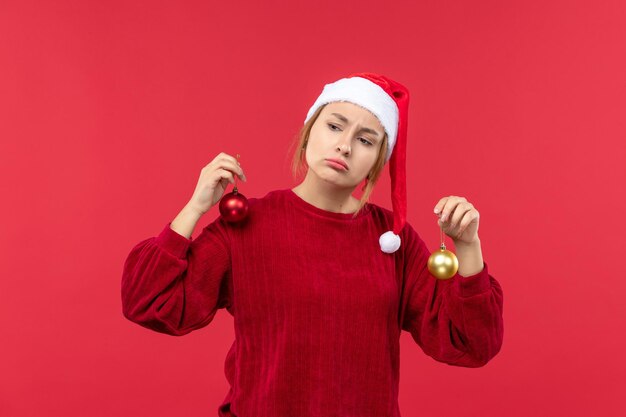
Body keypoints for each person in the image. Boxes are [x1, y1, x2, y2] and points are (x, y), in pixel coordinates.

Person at [121, 72, 504, 417]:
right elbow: (148, 302)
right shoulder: (246, 226)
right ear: (309, 131)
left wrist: (467, 246)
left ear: (377, 160)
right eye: (335, 126)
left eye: (365, 139)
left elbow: (471, 345)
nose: (345, 147)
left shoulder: (393, 240)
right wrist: (195, 206)